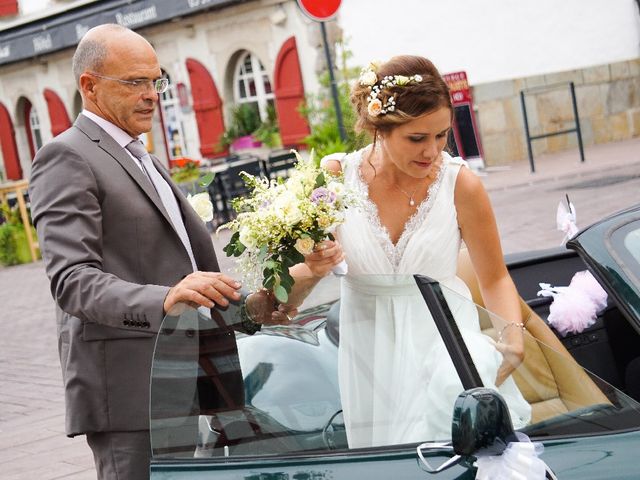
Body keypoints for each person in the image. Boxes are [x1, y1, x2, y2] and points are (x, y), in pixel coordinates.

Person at [29, 24, 281, 479]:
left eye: (156, 81)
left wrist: (266, 298)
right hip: (130, 388)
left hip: (189, 371)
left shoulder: (142, 155)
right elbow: (71, 282)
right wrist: (162, 299)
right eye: (135, 82)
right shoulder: (66, 156)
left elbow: (185, 266)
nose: (151, 95)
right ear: (90, 85)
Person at [289, 55, 532, 448]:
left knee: (453, 448)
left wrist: (513, 336)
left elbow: (494, 276)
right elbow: (299, 276)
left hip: (445, 338)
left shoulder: (461, 186)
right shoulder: (334, 178)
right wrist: (313, 266)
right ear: (378, 128)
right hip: (369, 345)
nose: (432, 151)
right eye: (417, 138)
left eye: (441, 136)